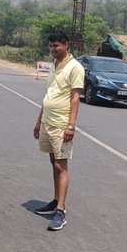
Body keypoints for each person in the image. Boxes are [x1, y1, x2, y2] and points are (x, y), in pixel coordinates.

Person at [31, 30, 86, 232]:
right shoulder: (54, 66)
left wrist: (71, 126)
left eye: (57, 46)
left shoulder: (75, 67)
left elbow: (75, 98)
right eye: (51, 46)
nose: (53, 49)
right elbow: (50, 95)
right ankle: (55, 201)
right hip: (47, 122)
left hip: (62, 124)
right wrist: (39, 122)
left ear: (67, 45)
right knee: (53, 163)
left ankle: (61, 211)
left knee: (61, 167)